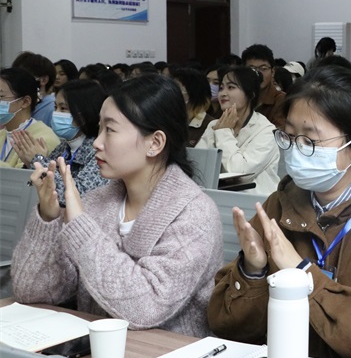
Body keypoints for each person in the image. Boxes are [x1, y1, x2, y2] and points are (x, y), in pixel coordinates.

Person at [207, 66, 351, 358]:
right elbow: (225, 325)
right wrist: (252, 270)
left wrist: (302, 273)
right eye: (289, 135)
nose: (294, 150)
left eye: (309, 141)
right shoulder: (281, 204)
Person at [12, 74, 224, 337]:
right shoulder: (97, 201)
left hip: (168, 350)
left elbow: (145, 308)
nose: (97, 142)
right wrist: (48, 217)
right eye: (99, 128)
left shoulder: (195, 215)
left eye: (110, 130)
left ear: (155, 143)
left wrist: (80, 227)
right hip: (96, 347)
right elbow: (31, 291)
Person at [12, 80, 109, 201]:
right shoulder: (63, 147)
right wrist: (30, 164)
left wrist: (38, 160)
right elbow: (32, 188)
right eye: (55, 107)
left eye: (63, 108)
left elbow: (78, 196)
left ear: (83, 114)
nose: (56, 113)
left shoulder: (99, 151)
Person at [196, 66, 280, 194]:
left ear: (250, 94)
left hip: (256, 201)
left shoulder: (266, 131)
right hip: (216, 196)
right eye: (221, 88)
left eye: (231, 87)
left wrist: (223, 132)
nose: (223, 93)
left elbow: (239, 173)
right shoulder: (214, 125)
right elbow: (197, 165)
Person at [0, 67, 60, 168]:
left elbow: (21, 176)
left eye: (0, 96)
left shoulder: (43, 139)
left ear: (25, 102)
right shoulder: (2, 134)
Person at [242, 44, 286, 129]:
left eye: (263, 68)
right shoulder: (239, 97)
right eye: (252, 69)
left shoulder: (281, 100)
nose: (258, 74)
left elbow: (278, 133)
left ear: (272, 72)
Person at [172, 68, 215, 147]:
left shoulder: (211, 125)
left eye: (177, 88)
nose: (172, 94)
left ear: (193, 92)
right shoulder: (169, 122)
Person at [12, 51, 57, 126]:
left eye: (23, 77)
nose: (17, 82)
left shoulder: (52, 108)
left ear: (43, 80)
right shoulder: (19, 105)